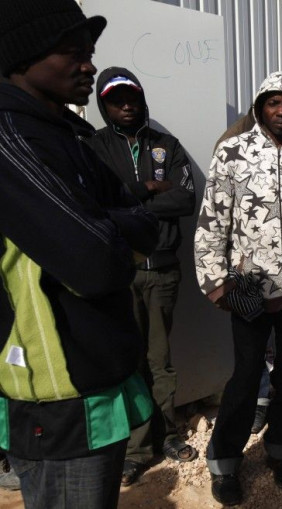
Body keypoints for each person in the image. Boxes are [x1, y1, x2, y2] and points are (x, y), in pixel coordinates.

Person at [0, 1, 159, 507]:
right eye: (72, 52)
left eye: (89, 52)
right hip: (58, 394)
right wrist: (106, 227)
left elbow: (148, 224)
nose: (89, 64)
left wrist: (99, 222)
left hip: (94, 379)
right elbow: (94, 263)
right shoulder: (10, 140)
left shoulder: (66, 135)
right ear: (23, 58)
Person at [195, 71, 282, 506]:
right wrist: (216, 284)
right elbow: (212, 220)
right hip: (249, 291)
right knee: (245, 378)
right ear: (260, 107)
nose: (280, 110)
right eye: (272, 102)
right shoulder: (232, 154)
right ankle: (224, 462)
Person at [85, 67, 197, 486]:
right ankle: (136, 448)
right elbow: (94, 202)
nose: (126, 105)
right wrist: (148, 189)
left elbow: (186, 198)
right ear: (105, 105)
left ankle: (167, 434)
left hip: (163, 269)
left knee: (160, 359)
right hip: (119, 272)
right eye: (117, 99)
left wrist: (127, 201)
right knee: (127, 361)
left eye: (132, 97)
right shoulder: (92, 148)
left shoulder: (167, 145)